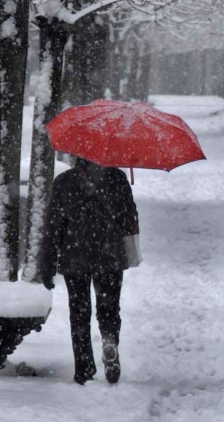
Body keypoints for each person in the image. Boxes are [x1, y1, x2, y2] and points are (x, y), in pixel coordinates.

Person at [40, 156, 139, 385]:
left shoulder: (64, 181)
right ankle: (110, 341)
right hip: (110, 254)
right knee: (109, 306)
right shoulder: (117, 178)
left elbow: (53, 226)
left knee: (79, 311)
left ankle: (84, 367)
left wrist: (47, 264)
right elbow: (129, 217)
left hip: (76, 256)